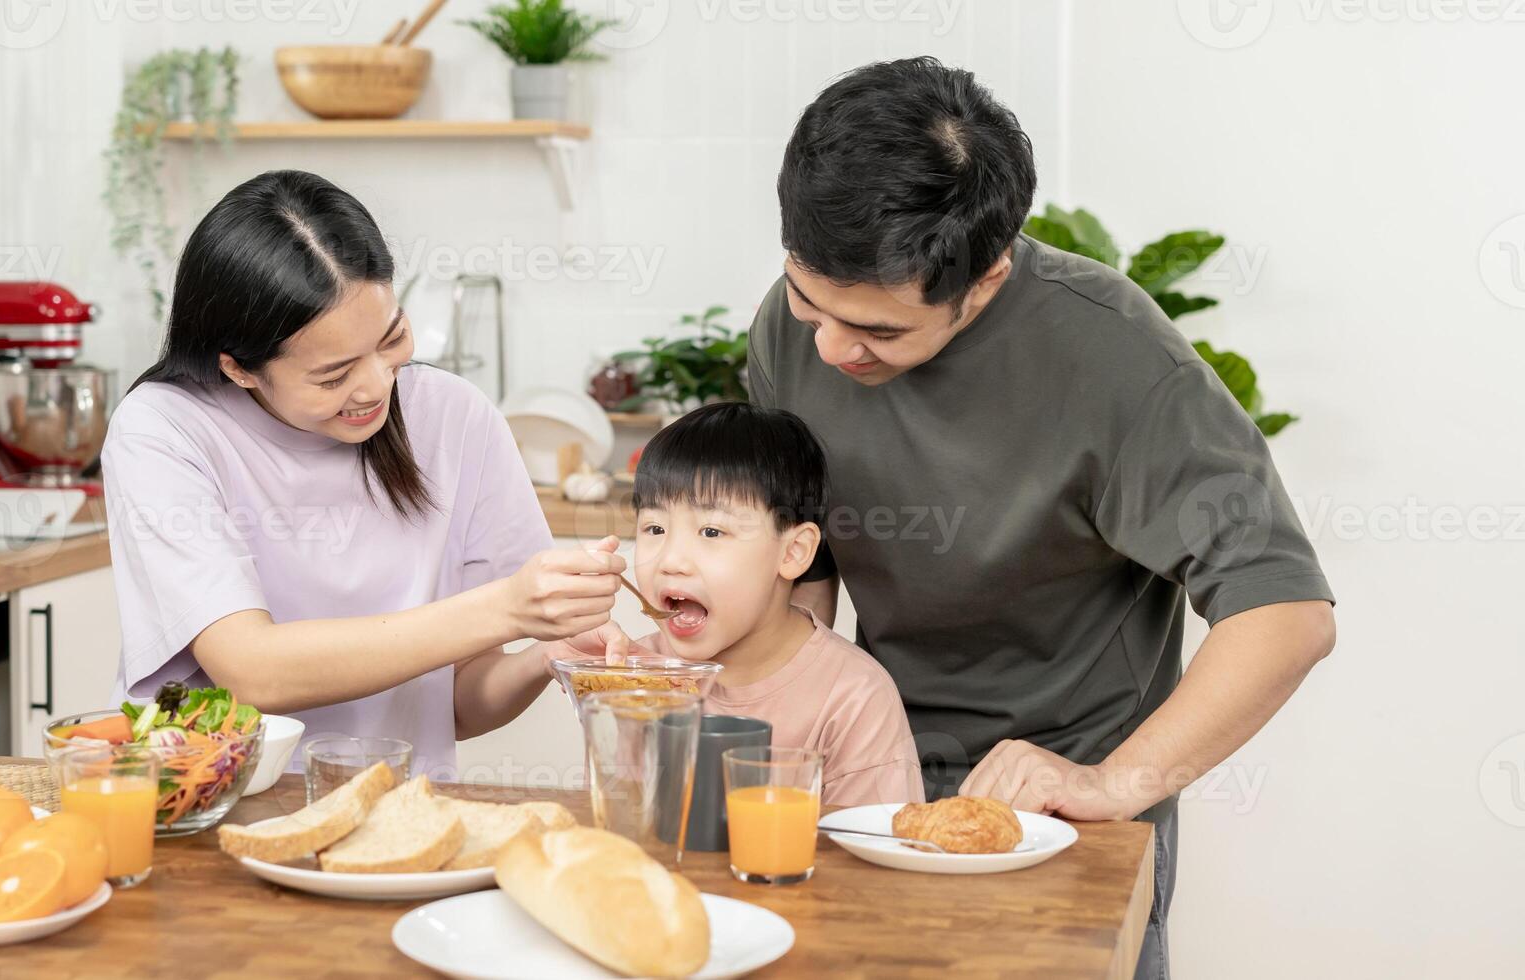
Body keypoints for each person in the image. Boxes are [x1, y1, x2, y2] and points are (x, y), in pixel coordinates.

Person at [751, 58, 1336, 978]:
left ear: (985, 280)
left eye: (880, 333)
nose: (828, 347)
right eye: (807, 299)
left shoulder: (1120, 362)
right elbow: (807, 556)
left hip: (1059, 820)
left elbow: (1287, 615)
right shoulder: (799, 325)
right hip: (869, 794)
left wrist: (1115, 785)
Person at [101, 169, 635, 777]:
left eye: (392, 338)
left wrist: (543, 655)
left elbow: (458, 704)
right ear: (240, 369)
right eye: (333, 375)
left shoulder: (454, 416)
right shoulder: (165, 429)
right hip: (213, 808)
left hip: (398, 814)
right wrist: (509, 608)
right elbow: (253, 670)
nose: (378, 386)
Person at [623, 402, 922, 807]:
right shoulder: (634, 679)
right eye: (655, 528)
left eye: (711, 531)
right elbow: (620, 835)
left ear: (794, 552)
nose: (670, 561)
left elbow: (875, 853)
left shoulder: (853, 697)